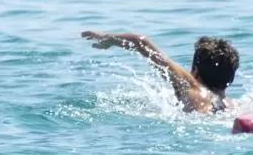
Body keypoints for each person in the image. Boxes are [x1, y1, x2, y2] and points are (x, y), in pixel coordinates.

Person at [81, 31, 240, 114]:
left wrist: (109, 39)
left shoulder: (192, 88)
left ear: (195, 72)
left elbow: (140, 42)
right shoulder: (233, 105)